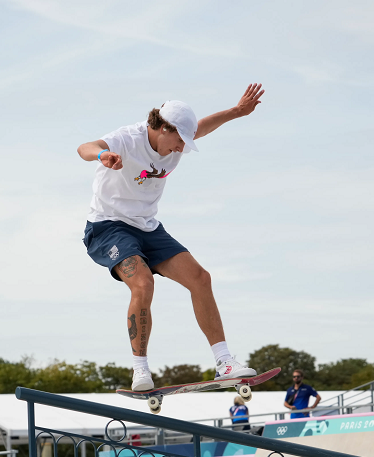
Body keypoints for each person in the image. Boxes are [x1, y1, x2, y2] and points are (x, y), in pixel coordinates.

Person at [77, 84, 265, 391]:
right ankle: (140, 370)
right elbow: (83, 147)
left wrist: (237, 111)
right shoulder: (127, 138)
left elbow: (201, 127)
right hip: (108, 227)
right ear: (162, 128)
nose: (181, 149)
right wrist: (102, 155)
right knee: (142, 282)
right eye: (178, 140)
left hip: (148, 227)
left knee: (201, 278)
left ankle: (224, 362)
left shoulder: (177, 136)